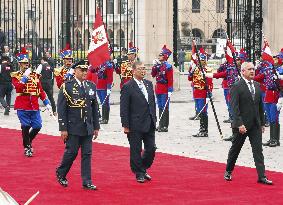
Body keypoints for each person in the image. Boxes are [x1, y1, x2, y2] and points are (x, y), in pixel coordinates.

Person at [224, 62, 273, 185]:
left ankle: (261, 176)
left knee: (258, 150)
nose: (252, 71)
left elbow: (260, 106)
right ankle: (228, 171)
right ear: (243, 71)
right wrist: (239, 124)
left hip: (255, 125)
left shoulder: (257, 85)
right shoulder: (236, 86)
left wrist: (262, 123)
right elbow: (234, 108)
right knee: (235, 149)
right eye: (249, 69)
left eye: (253, 69)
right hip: (242, 126)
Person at [56, 60, 100, 190]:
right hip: (73, 126)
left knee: (87, 154)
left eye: (86, 70)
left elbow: (94, 108)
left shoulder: (91, 86)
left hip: (87, 126)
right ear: (75, 71)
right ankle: (61, 172)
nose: (85, 72)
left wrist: (96, 126)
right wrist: (63, 128)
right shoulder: (67, 86)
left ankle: (87, 181)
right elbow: (61, 109)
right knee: (72, 152)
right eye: (82, 70)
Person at [11, 47, 52, 157]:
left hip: (34, 106)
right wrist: (24, 77)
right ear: (19, 64)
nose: (26, 65)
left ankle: (27, 141)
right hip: (22, 105)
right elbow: (18, 88)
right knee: (25, 125)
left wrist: (47, 103)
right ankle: (27, 147)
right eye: (24, 63)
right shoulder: (15, 75)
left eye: (27, 63)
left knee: (37, 126)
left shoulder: (35, 75)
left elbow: (40, 90)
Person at [120, 61, 157, 183]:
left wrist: (154, 118)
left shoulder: (149, 84)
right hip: (135, 123)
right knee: (136, 150)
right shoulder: (128, 86)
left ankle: (143, 167)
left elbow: (152, 103)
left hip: (149, 122)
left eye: (144, 68)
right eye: (140, 68)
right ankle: (139, 173)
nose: (143, 71)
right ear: (134, 70)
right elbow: (124, 107)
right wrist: (125, 125)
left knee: (151, 148)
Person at [188, 48, 213, 137]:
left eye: (202, 60)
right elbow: (190, 78)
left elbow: (210, 83)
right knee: (199, 111)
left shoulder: (208, 69)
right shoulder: (196, 69)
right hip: (197, 93)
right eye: (199, 60)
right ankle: (201, 129)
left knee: (203, 112)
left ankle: (204, 130)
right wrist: (191, 69)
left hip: (203, 93)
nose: (200, 61)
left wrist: (208, 95)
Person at [151, 45, 173, 132]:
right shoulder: (158, 65)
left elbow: (170, 79)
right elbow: (153, 74)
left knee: (164, 106)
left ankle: (165, 126)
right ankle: (160, 124)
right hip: (158, 88)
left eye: (160, 55)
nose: (159, 57)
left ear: (165, 56)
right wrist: (154, 66)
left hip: (164, 89)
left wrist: (170, 89)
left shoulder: (168, 66)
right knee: (160, 106)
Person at [89, 57, 114, 124]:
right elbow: (92, 70)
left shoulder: (108, 65)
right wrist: (92, 65)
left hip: (104, 86)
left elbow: (110, 78)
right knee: (102, 101)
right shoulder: (99, 64)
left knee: (105, 102)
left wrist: (109, 87)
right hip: (98, 86)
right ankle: (103, 118)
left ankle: (105, 119)